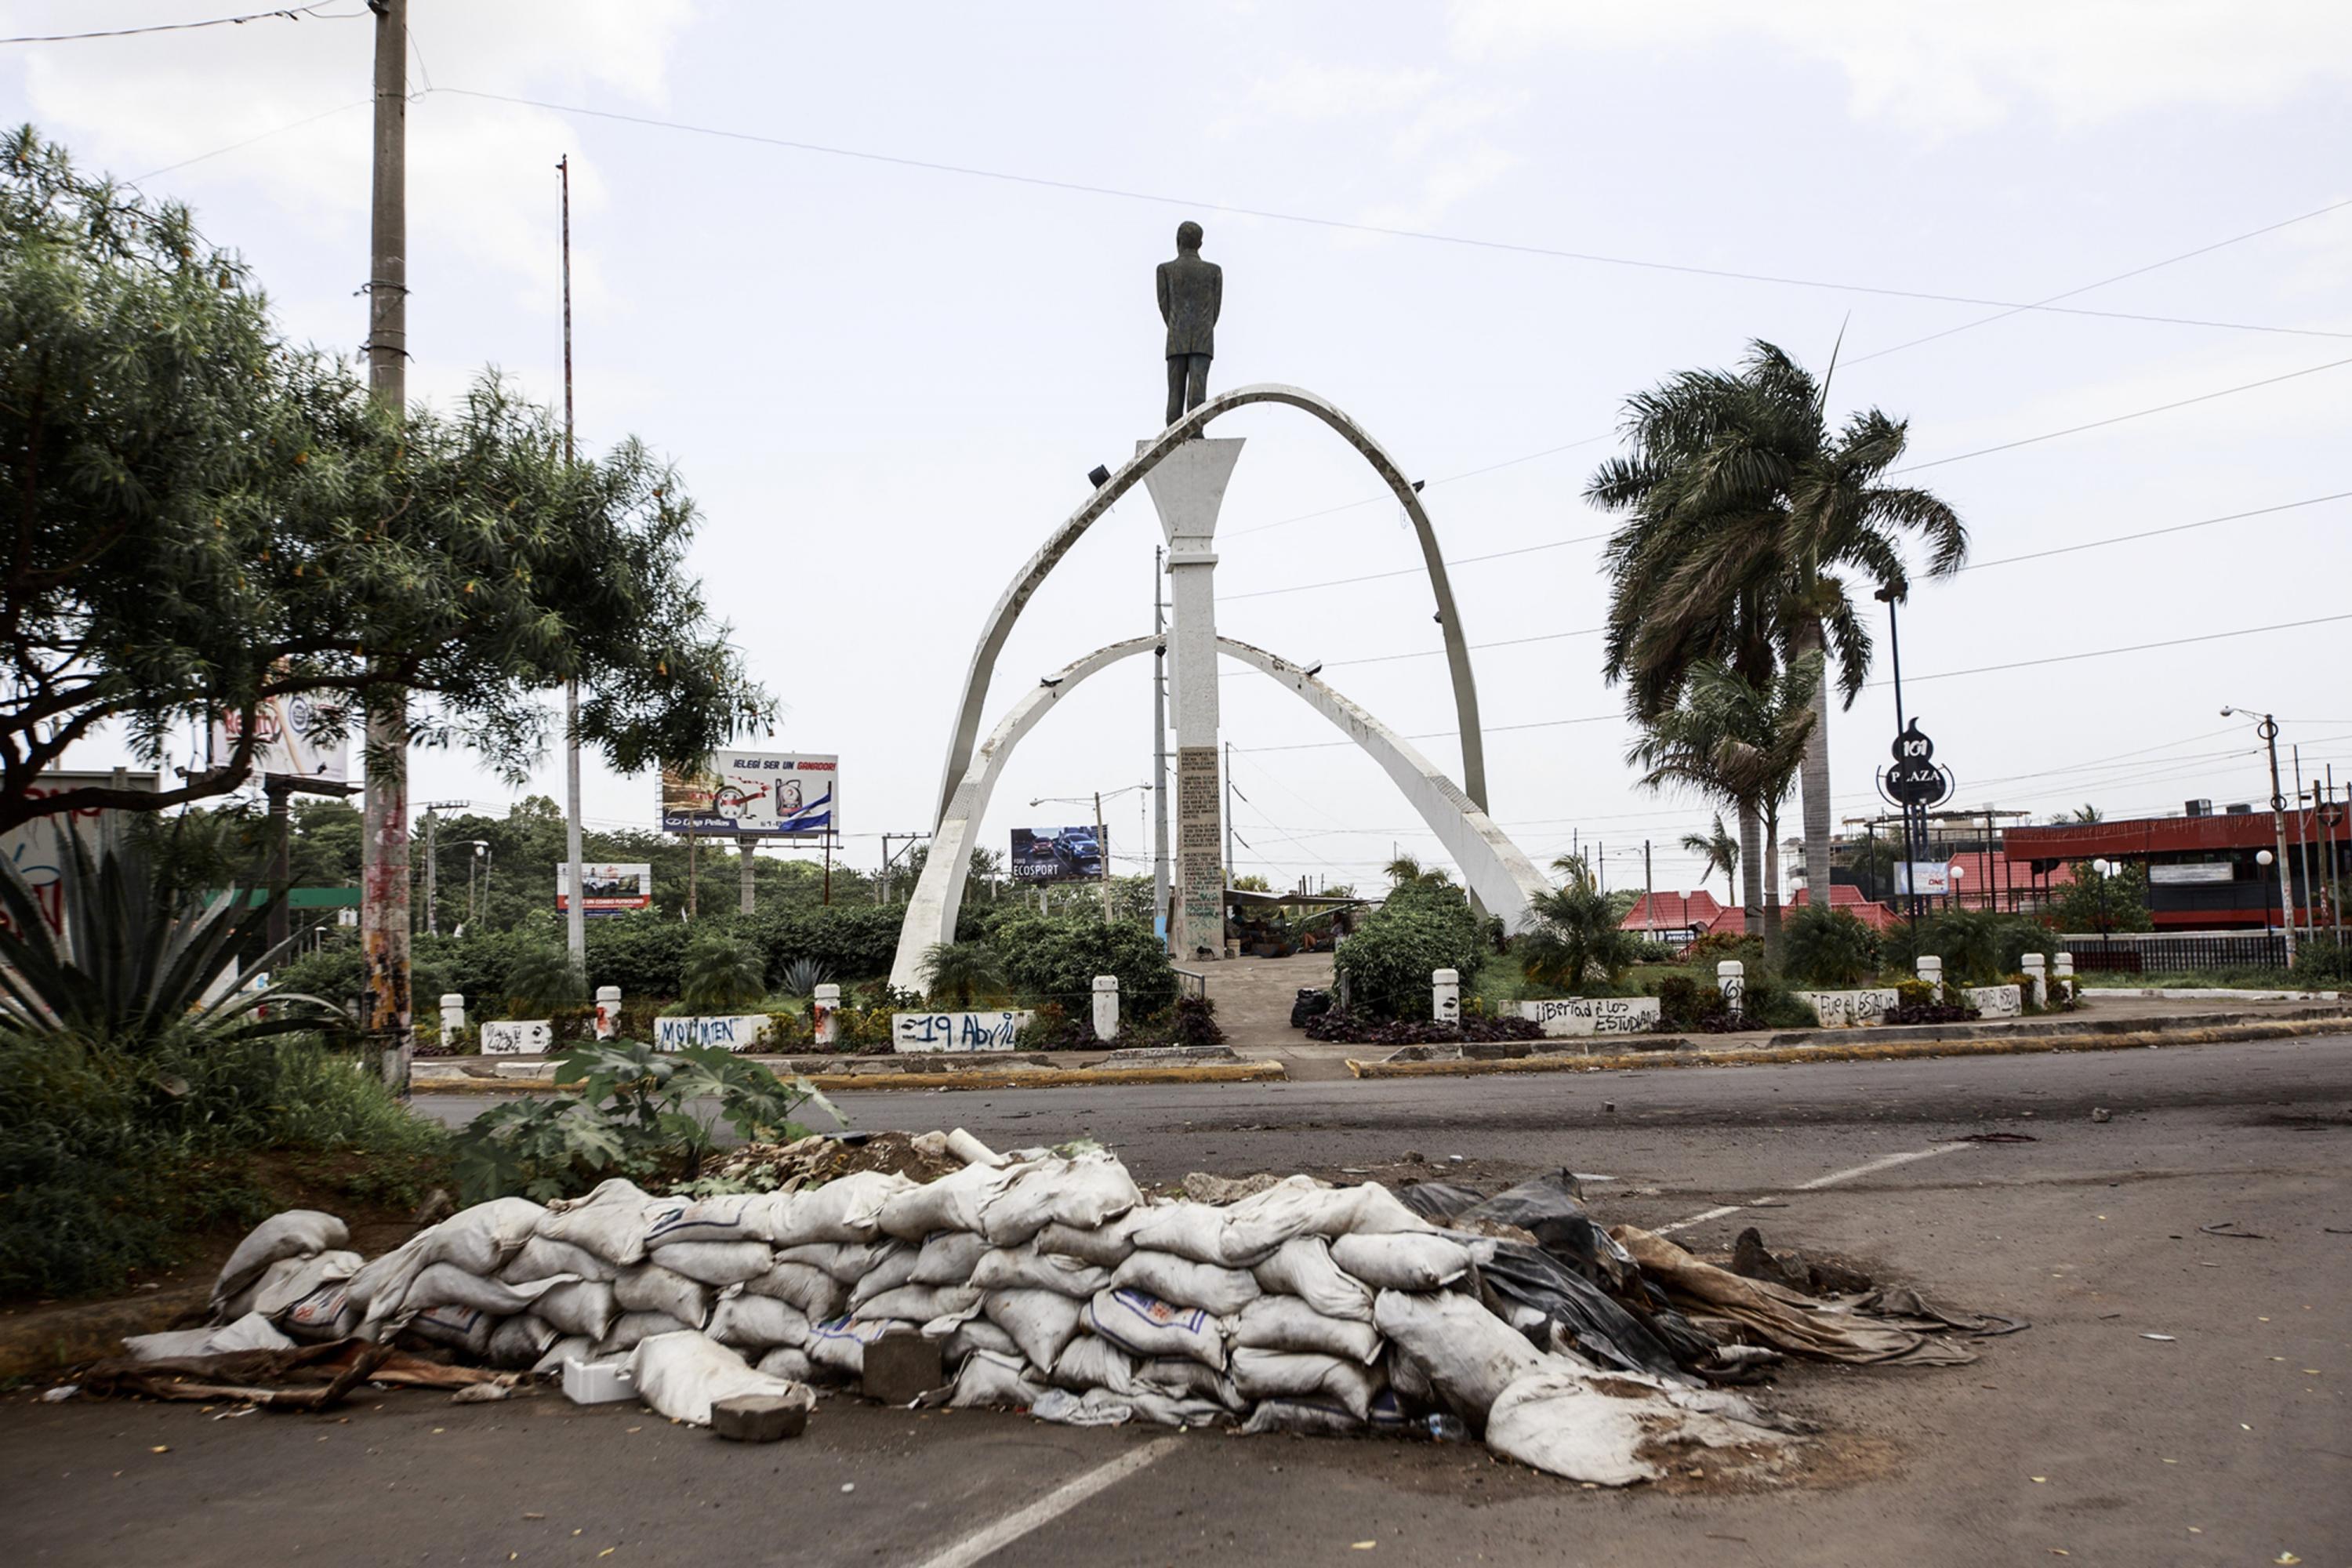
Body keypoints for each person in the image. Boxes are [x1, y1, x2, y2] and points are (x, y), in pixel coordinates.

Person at [1156, 220, 1221, 426]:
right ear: (1200, 244)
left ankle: (1173, 434)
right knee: (1198, 391)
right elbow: (1215, 310)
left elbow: (1164, 305)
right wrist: (1202, 326)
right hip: (1203, 338)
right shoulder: (1214, 271)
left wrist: (1177, 325)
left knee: (1174, 393)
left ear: (1178, 241)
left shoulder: (1165, 270)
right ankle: (1195, 430)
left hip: (1176, 337)